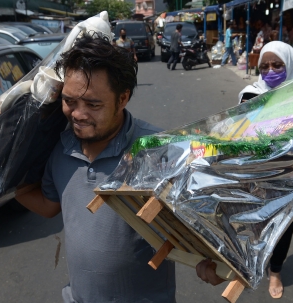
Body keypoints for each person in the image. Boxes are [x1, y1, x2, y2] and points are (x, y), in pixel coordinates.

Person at [15, 33, 176, 302]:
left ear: (123, 98)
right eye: (70, 102)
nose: (78, 114)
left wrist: (209, 265)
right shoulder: (60, 147)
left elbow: (199, 231)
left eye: (93, 104)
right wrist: (7, 182)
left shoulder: (158, 150)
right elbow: (49, 205)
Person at [238, 41, 293, 299]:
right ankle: (250, 262)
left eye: (277, 65)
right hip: (256, 172)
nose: (270, 70)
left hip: (292, 174)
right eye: (264, 66)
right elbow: (240, 134)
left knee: (285, 224)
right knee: (254, 222)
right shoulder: (251, 94)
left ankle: (275, 271)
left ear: (290, 64)